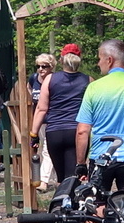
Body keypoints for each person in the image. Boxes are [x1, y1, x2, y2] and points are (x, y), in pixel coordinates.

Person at [74, 39, 124, 201]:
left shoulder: (94, 88)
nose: (98, 63)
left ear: (109, 60)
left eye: (100, 58)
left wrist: (81, 163)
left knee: (97, 203)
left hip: (100, 156)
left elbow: (83, 130)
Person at [31, 43, 90, 182]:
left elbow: (41, 109)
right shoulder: (87, 80)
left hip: (54, 132)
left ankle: (62, 201)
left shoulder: (50, 79)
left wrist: (34, 134)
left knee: (61, 177)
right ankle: (71, 201)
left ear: (61, 59)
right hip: (77, 132)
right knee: (74, 176)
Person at [31, 53, 56, 190]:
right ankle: (55, 178)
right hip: (39, 121)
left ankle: (44, 181)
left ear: (51, 67)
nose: (41, 69)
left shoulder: (54, 80)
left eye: (44, 66)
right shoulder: (33, 79)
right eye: (38, 66)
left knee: (47, 149)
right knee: (42, 149)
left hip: (52, 119)